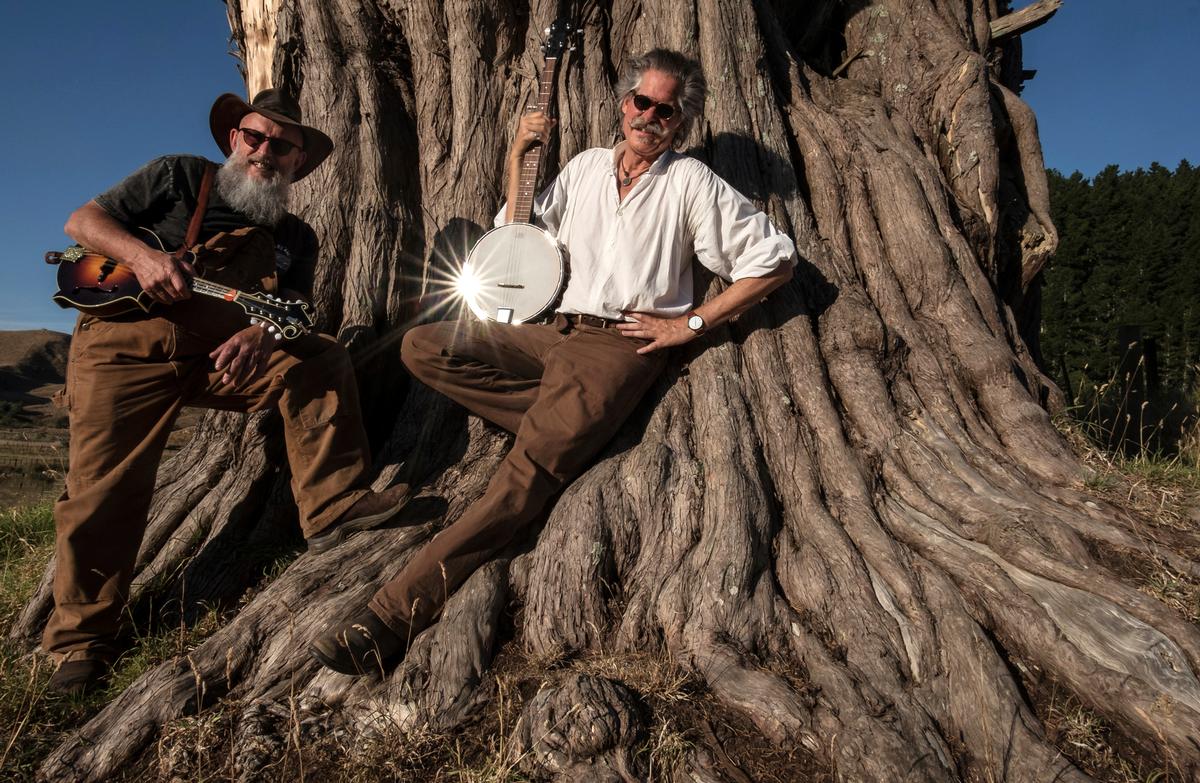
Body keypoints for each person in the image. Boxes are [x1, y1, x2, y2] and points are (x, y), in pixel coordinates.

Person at [310, 49, 796, 675]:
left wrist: (690, 324)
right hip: (550, 331)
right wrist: (517, 158)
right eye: (639, 102)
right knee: (422, 344)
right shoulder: (589, 165)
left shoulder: (691, 182)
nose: (648, 116)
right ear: (624, 104)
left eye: (664, 110)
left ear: (681, 122)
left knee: (524, 473)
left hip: (618, 346)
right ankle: (572, 428)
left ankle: (389, 617)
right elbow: (519, 238)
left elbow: (775, 261)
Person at [45, 89, 409, 695]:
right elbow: (82, 222)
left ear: (298, 162)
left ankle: (332, 506)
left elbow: (292, 309)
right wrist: (143, 257)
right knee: (102, 492)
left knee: (319, 356)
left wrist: (263, 336)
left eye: (282, 146)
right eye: (254, 137)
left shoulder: (297, 235)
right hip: (123, 348)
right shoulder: (181, 175)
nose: (265, 152)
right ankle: (80, 645)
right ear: (234, 140)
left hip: (218, 358)